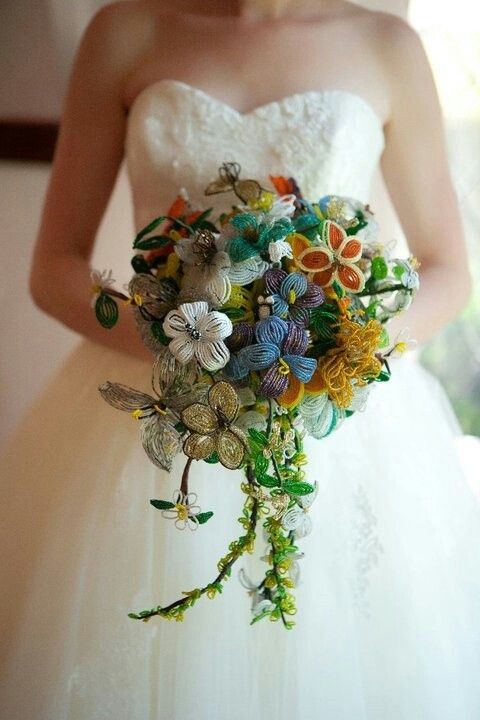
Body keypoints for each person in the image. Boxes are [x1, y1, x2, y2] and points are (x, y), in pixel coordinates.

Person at [1, 1, 480, 718]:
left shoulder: (387, 45)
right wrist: (186, 349)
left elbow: (447, 269)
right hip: (158, 413)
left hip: (331, 416)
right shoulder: (125, 31)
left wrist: (340, 348)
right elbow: (54, 268)